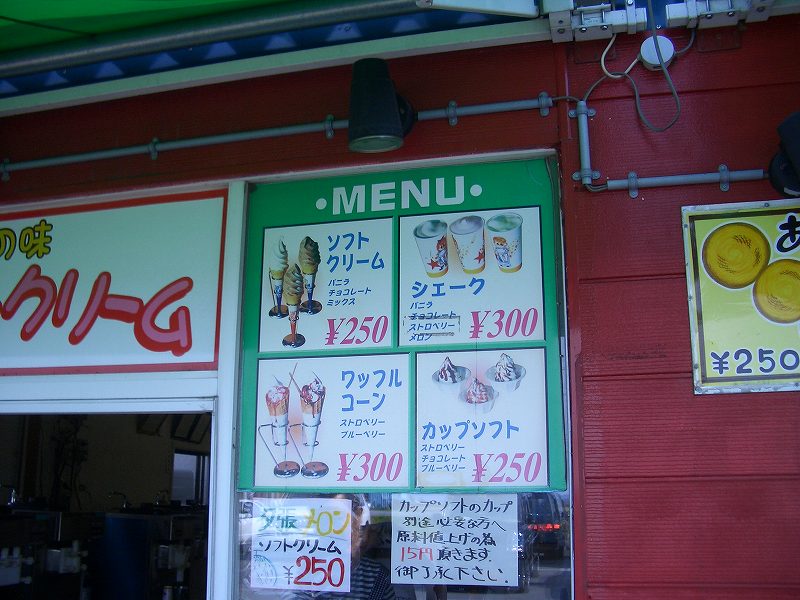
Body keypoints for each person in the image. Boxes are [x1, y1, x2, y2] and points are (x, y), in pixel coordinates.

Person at [283, 494, 396, 600]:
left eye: (339, 517)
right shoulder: (301, 569)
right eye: (326, 519)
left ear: (358, 516)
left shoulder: (377, 577)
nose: (333, 527)